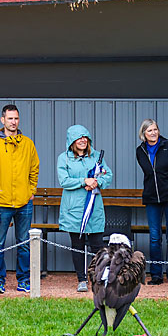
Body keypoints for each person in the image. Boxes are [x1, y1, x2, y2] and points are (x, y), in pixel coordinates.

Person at [0, 104, 40, 294]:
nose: (13, 122)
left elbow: (34, 168)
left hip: (24, 203)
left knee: (24, 243)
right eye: (10, 118)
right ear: (3, 120)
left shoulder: (28, 143)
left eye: (16, 118)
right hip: (1, 203)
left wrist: (31, 190)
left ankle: (23, 280)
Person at [57, 125, 112, 292]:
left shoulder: (96, 157)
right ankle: (81, 279)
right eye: (78, 138)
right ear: (71, 141)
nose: (82, 140)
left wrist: (97, 182)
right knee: (77, 245)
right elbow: (64, 181)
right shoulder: (64, 158)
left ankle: (98, 277)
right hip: (74, 209)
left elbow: (107, 175)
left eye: (85, 137)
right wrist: (84, 181)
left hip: (93, 208)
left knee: (97, 244)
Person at [135, 119, 168, 286]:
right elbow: (149, 173)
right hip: (152, 197)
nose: (153, 133)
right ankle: (156, 275)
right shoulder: (140, 150)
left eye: (155, 129)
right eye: (149, 130)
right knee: (154, 237)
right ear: (143, 134)